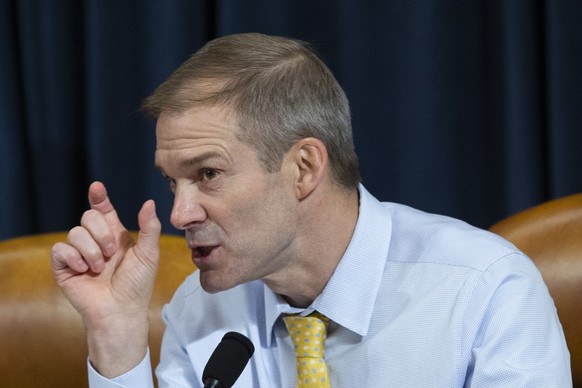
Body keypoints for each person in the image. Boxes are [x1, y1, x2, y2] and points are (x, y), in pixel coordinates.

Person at [51, 32, 571, 387]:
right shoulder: (201, 309)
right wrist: (115, 336)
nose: (180, 214)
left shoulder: (484, 289)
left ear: (303, 168)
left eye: (208, 174)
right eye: (172, 183)